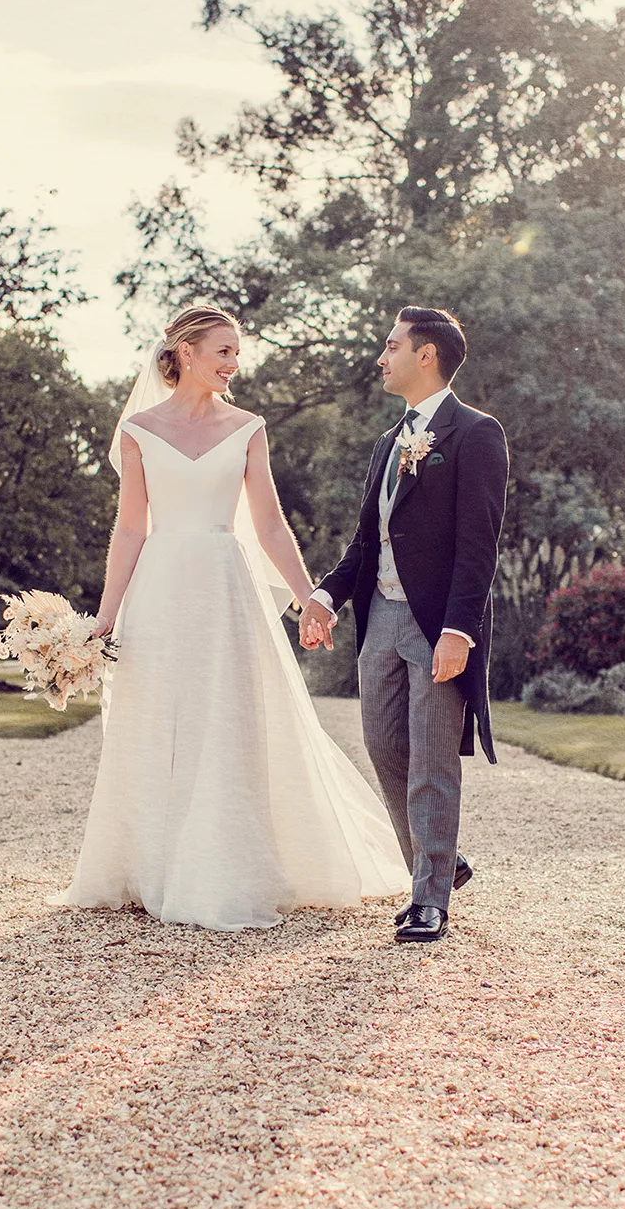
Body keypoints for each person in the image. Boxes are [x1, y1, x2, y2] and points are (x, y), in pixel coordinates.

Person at [47, 305, 408, 932]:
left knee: (226, 718)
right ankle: (151, 867)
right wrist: (105, 617)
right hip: (159, 587)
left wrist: (308, 596)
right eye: (223, 351)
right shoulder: (138, 430)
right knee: (158, 719)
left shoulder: (248, 427)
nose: (233, 364)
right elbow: (131, 526)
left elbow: (268, 522)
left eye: (235, 353)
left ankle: (221, 870)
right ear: (186, 352)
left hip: (224, 587)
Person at [299, 307, 509, 944]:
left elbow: (479, 545)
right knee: (384, 746)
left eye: (391, 347)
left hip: (436, 623)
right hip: (382, 620)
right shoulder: (390, 443)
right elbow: (368, 542)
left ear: (427, 356)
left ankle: (429, 900)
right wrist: (325, 596)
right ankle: (440, 860)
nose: (381, 357)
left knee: (433, 758)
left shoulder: (476, 434)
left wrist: (459, 630)